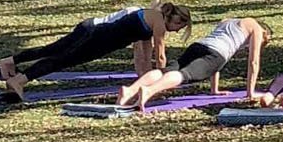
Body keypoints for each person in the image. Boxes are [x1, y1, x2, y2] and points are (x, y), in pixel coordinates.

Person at [0, 1, 193, 100]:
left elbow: (142, 56)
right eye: (179, 26)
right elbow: (159, 55)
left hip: (93, 30)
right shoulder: (159, 23)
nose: (175, 31)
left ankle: (11, 63)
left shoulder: (148, 19)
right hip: (97, 36)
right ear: (172, 18)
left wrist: (144, 83)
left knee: (54, 50)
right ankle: (19, 80)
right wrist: (161, 79)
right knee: (61, 59)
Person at [116, 15, 271, 112]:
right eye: (265, 41)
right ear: (265, 33)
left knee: (166, 70)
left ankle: (129, 91)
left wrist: (214, 90)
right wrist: (251, 92)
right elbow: (254, 62)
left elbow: (213, 66)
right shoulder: (255, 26)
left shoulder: (227, 21)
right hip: (216, 54)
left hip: (199, 46)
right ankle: (149, 91)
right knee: (184, 75)